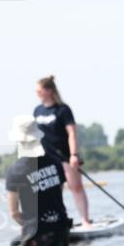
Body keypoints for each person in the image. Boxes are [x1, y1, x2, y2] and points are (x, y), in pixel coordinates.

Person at [6, 116, 73, 246]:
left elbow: (14, 213)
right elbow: (58, 192)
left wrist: (31, 225)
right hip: (61, 226)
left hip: (38, 234)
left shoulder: (16, 171)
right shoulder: (55, 162)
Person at [34, 75, 92, 226]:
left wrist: (74, 155)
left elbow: (72, 133)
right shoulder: (37, 111)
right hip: (47, 159)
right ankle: (56, 221)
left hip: (64, 156)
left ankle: (85, 220)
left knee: (76, 187)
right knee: (53, 193)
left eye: (39, 91)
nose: (37, 94)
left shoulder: (63, 109)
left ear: (49, 91)